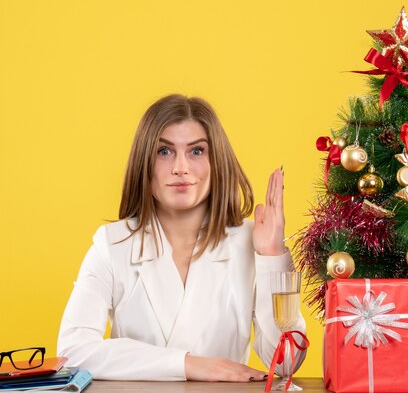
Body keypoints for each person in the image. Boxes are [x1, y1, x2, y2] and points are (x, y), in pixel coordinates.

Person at [57, 94, 306, 382]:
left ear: (216, 162)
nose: (180, 167)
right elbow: (73, 351)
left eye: (196, 151)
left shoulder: (249, 243)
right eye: (164, 151)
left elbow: (286, 362)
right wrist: (188, 365)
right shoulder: (113, 244)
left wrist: (272, 256)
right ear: (144, 163)